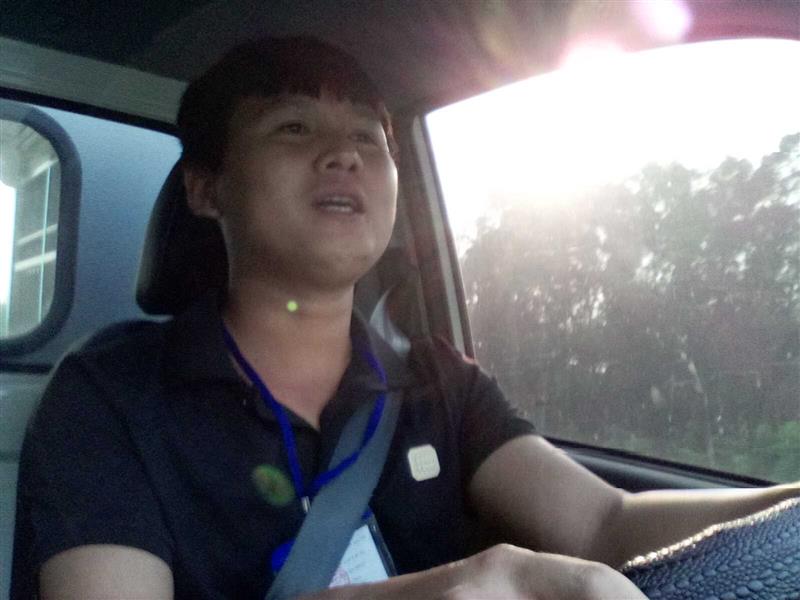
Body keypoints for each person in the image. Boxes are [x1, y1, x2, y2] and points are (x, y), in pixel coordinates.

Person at [11, 36, 799, 600]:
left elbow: (602, 522)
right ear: (205, 188)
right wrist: (460, 586)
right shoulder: (110, 394)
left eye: (369, 136)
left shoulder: (437, 381)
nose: (345, 154)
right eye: (294, 127)